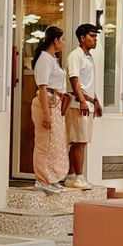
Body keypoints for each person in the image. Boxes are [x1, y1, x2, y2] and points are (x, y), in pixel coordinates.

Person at [31, 25, 69, 194]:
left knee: (55, 142)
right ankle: (41, 179)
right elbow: (42, 87)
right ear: (55, 40)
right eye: (62, 39)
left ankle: (51, 178)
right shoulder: (45, 59)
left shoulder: (52, 59)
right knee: (44, 143)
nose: (63, 42)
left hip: (55, 102)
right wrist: (46, 114)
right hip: (46, 102)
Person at [65, 24, 102, 189]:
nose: (95, 39)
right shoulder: (75, 55)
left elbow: (89, 83)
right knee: (79, 141)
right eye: (92, 36)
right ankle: (78, 176)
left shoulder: (89, 57)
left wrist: (96, 101)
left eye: (95, 36)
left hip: (88, 103)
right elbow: (74, 80)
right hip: (78, 104)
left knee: (81, 141)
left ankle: (72, 175)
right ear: (82, 38)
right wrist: (81, 101)